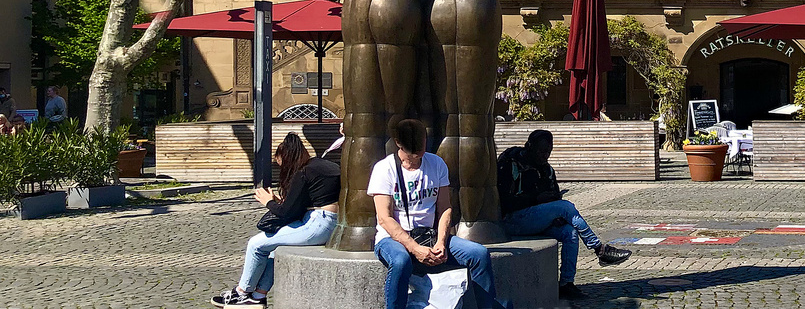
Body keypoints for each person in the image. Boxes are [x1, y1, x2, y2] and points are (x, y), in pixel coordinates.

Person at [369, 118, 508, 309]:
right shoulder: (384, 169)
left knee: (479, 254)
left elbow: (445, 208)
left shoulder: (436, 164)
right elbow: (384, 218)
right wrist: (414, 248)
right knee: (400, 262)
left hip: (429, 234)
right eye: (412, 152)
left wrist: (441, 242)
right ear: (398, 143)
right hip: (391, 239)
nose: (417, 156)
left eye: (421, 149)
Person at [497, 129, 631, 301]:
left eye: (548, 152)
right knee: (565, 207)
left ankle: (566, 283)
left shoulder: (547, 170)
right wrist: (536, 199)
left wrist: (554, 212)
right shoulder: (511, 163)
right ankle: (599, 249)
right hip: (513, 220)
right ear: (529, 146)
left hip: (538, 221)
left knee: (570, 232)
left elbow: (555, 195)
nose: (544, 156)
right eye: (541, 151)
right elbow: (504, 202)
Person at [210, 134, 341, 306]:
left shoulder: (303, 172)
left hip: (319, 223)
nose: (282, 170)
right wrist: (279, 202)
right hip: (330, 221)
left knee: (255, 244)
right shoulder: (319, 166)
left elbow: (285, 213)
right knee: (274, 249)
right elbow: (306, 202)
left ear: (287, 159)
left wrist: (269, 202)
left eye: (282, 165)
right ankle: (257, 297)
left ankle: (241, 293)